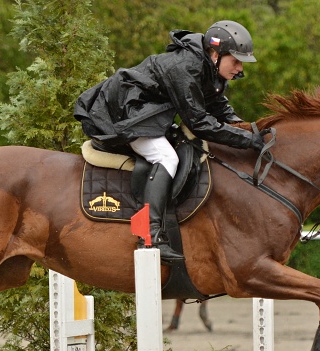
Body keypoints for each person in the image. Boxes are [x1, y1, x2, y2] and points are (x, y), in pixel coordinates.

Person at [74, 20, 267, 263]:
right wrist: (247, 140)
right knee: (166, 156)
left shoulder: (210, 66)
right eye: (236, 61)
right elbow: (199, 123)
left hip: (150, 110)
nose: (239, 68)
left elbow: (218, 106)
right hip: (125, 111)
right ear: (216, 54)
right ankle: (150, 237)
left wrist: (247, 128)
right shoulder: (185, 67)